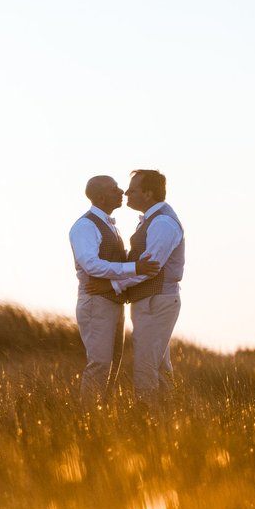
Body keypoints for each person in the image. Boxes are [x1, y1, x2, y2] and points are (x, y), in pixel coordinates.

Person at [86, 169, 185, 404]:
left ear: (148, 194)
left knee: (145, 368)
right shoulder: (153, 220)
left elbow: (149, 268)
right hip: (152, 301)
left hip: (156, 300)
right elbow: (142, 266)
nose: (126, 192)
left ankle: (147, 422)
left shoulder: (162, 223)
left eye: (133, 189)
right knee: (159, 368)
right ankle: (169, 421)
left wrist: (111, 287)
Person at [69, 175, 159, 406]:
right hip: (95, 302)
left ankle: (102, 414)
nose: (122, 192)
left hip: (112, 301)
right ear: (100, 197)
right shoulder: (85, 226)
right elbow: (91, 264)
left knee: (113, 363)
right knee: (100, 363)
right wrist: (134, 267)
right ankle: (87, 416)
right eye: (114, 189)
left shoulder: (109, 225)